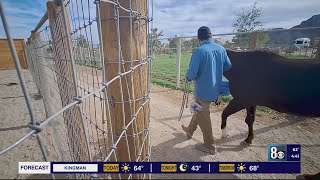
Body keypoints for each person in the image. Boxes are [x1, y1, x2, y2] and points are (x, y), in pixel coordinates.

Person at [181, 26, 232, 155]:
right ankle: (190, 129)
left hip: (203, 90)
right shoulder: (221, 48)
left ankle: (209, 145)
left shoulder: (199, 51)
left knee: (203, 115)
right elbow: (228, 65)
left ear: (199, 39)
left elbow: (192, 73)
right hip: (217, 89)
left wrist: (187, 77)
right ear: (211, 36)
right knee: (198, 109)